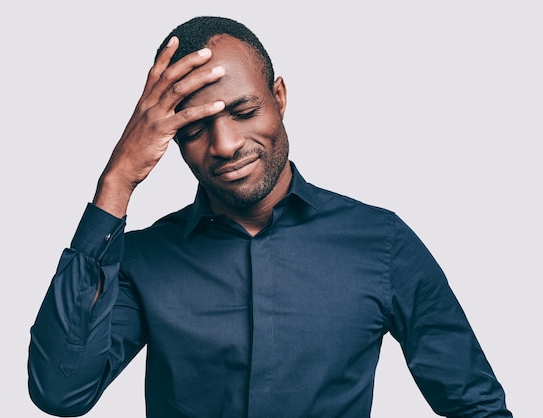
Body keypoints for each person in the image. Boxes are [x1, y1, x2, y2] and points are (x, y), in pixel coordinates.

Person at [28, 16, 512, 417]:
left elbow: (475, 405)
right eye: (194, 129)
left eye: (243, 111)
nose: (225, 145)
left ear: (278, 98)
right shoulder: (142, 259)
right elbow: (61, 391)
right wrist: (116, 183)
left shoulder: (381, 243)